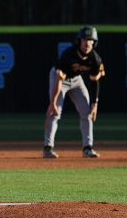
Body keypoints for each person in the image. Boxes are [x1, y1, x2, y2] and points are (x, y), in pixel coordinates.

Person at [43, 25, 105, 158]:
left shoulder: (95, 59)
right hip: (59, 78)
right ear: (79, 41)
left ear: (94, 42)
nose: (87, 43)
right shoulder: (68, 55)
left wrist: (95, 104)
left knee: (87, 111)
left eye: (90, 40)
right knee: (55, 112)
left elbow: (95, 81)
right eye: (85, 39)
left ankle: (87, 148)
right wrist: (52, 102)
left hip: (76, 80)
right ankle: (48, 148)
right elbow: (59, 80)